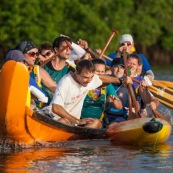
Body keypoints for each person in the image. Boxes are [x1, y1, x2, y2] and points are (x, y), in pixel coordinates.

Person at [42, 59, 126, 128]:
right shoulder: (66, 82)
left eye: (91, 77)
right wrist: (77, 121)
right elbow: (55, 108)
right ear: (77, 73)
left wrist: (121, 80)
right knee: (63, 121)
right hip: (53, 117)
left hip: (73, 123)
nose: (89, 81)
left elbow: (102, 78)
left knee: (96, 123)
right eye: (86, 77)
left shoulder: (88, 80)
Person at [104, 58, 130, 125]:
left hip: (119, 117)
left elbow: (134, 104)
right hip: (103, 115)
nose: (119, 70)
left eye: (121, 67)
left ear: (124, 70)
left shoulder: (129, 85)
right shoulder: (104, 80)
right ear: (110, 68)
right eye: (116, 67)